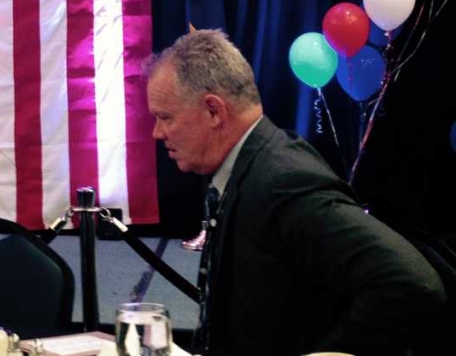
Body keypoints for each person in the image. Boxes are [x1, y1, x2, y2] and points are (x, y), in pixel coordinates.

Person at [146, 29, 445, 356]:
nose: (157, 133)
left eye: (165, 117)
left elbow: (413, 283)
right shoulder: (253, 167)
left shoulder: (283, 180)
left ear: (214, 110)